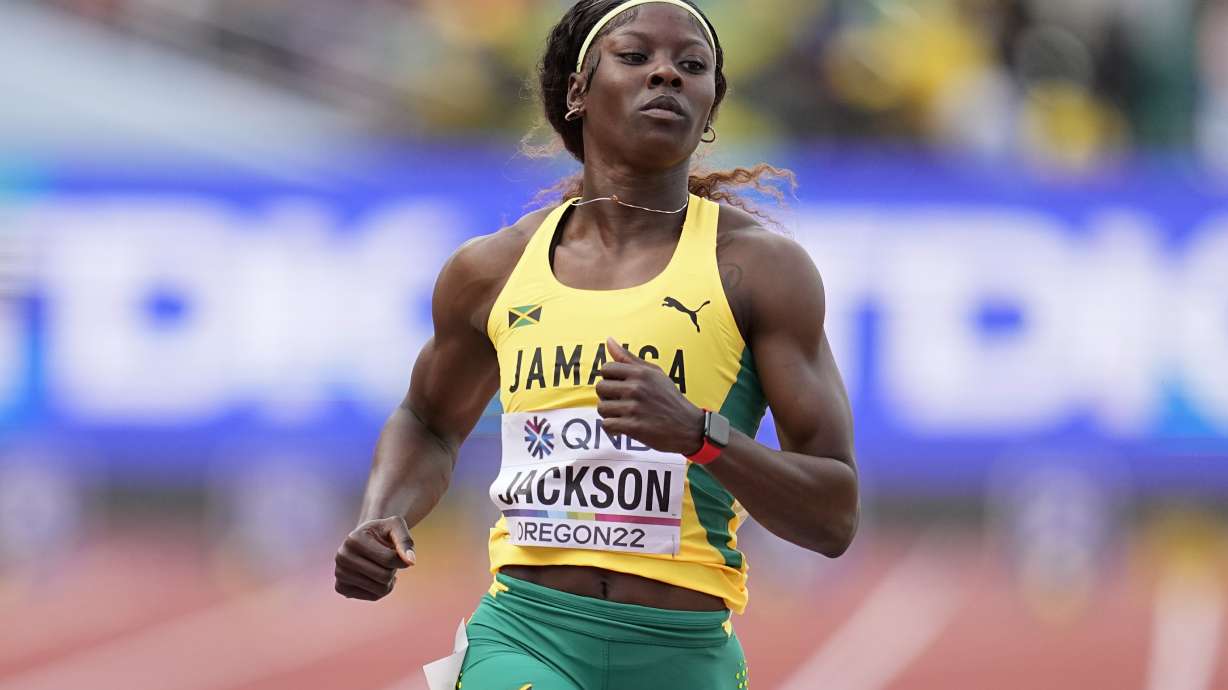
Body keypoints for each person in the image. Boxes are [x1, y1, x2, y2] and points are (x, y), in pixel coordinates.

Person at [333, 1, 858, 688]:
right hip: (525, 634)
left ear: (711, 106)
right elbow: (427, 421)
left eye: (692, 65)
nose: (667, 74)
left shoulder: (759, 270)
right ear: (578, 91)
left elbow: (833, 516)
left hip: (684, 650)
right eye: (636, 56)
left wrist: (699, 434)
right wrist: (382, 516)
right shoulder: (492, 270)